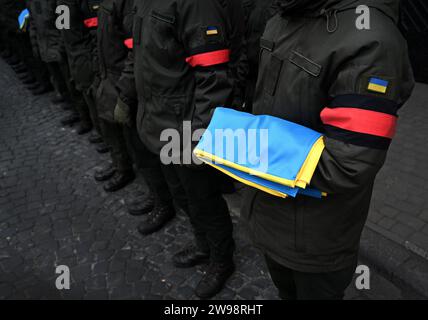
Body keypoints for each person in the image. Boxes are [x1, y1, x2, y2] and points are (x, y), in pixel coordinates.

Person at [242, 0, 415, 300]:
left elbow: (349, 162)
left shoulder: (372, 38)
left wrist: (249, 152)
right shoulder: (282, 18)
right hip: (269, 211)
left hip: (318, 235)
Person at [116, 0, 238, 299]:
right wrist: (125, 94)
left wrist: (198, 136)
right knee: (181, 193)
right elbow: (138, 55)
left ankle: (222, 261)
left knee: (203, 199)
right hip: (157, 122)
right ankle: (202, 244)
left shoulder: (196, 5)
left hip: (184, 127)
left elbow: (213, 78)